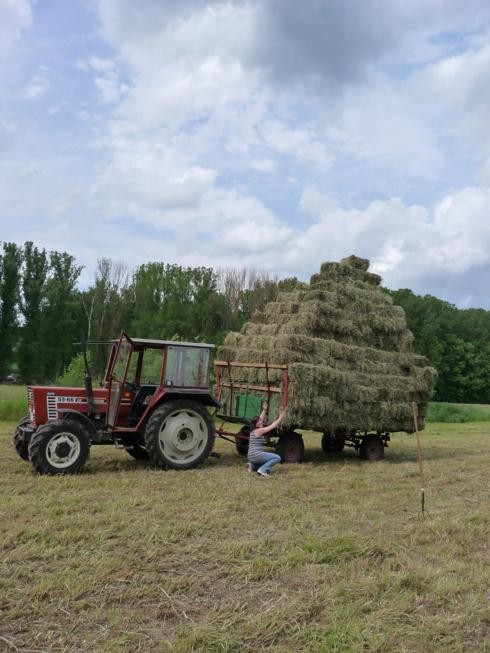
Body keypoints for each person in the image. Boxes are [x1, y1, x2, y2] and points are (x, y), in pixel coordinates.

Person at [247, 400, 286, 477]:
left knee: (264, 461)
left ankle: (252, 465)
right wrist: (280, 418)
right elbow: (272, 426)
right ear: (256, 424)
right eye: (260, 422)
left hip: (251, 456)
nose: (261, 422)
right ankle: (263, 470)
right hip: (256, 455)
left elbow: (260, 419)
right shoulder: (259, 430)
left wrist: (264, 410)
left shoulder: (254, 430)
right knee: (277, 458)